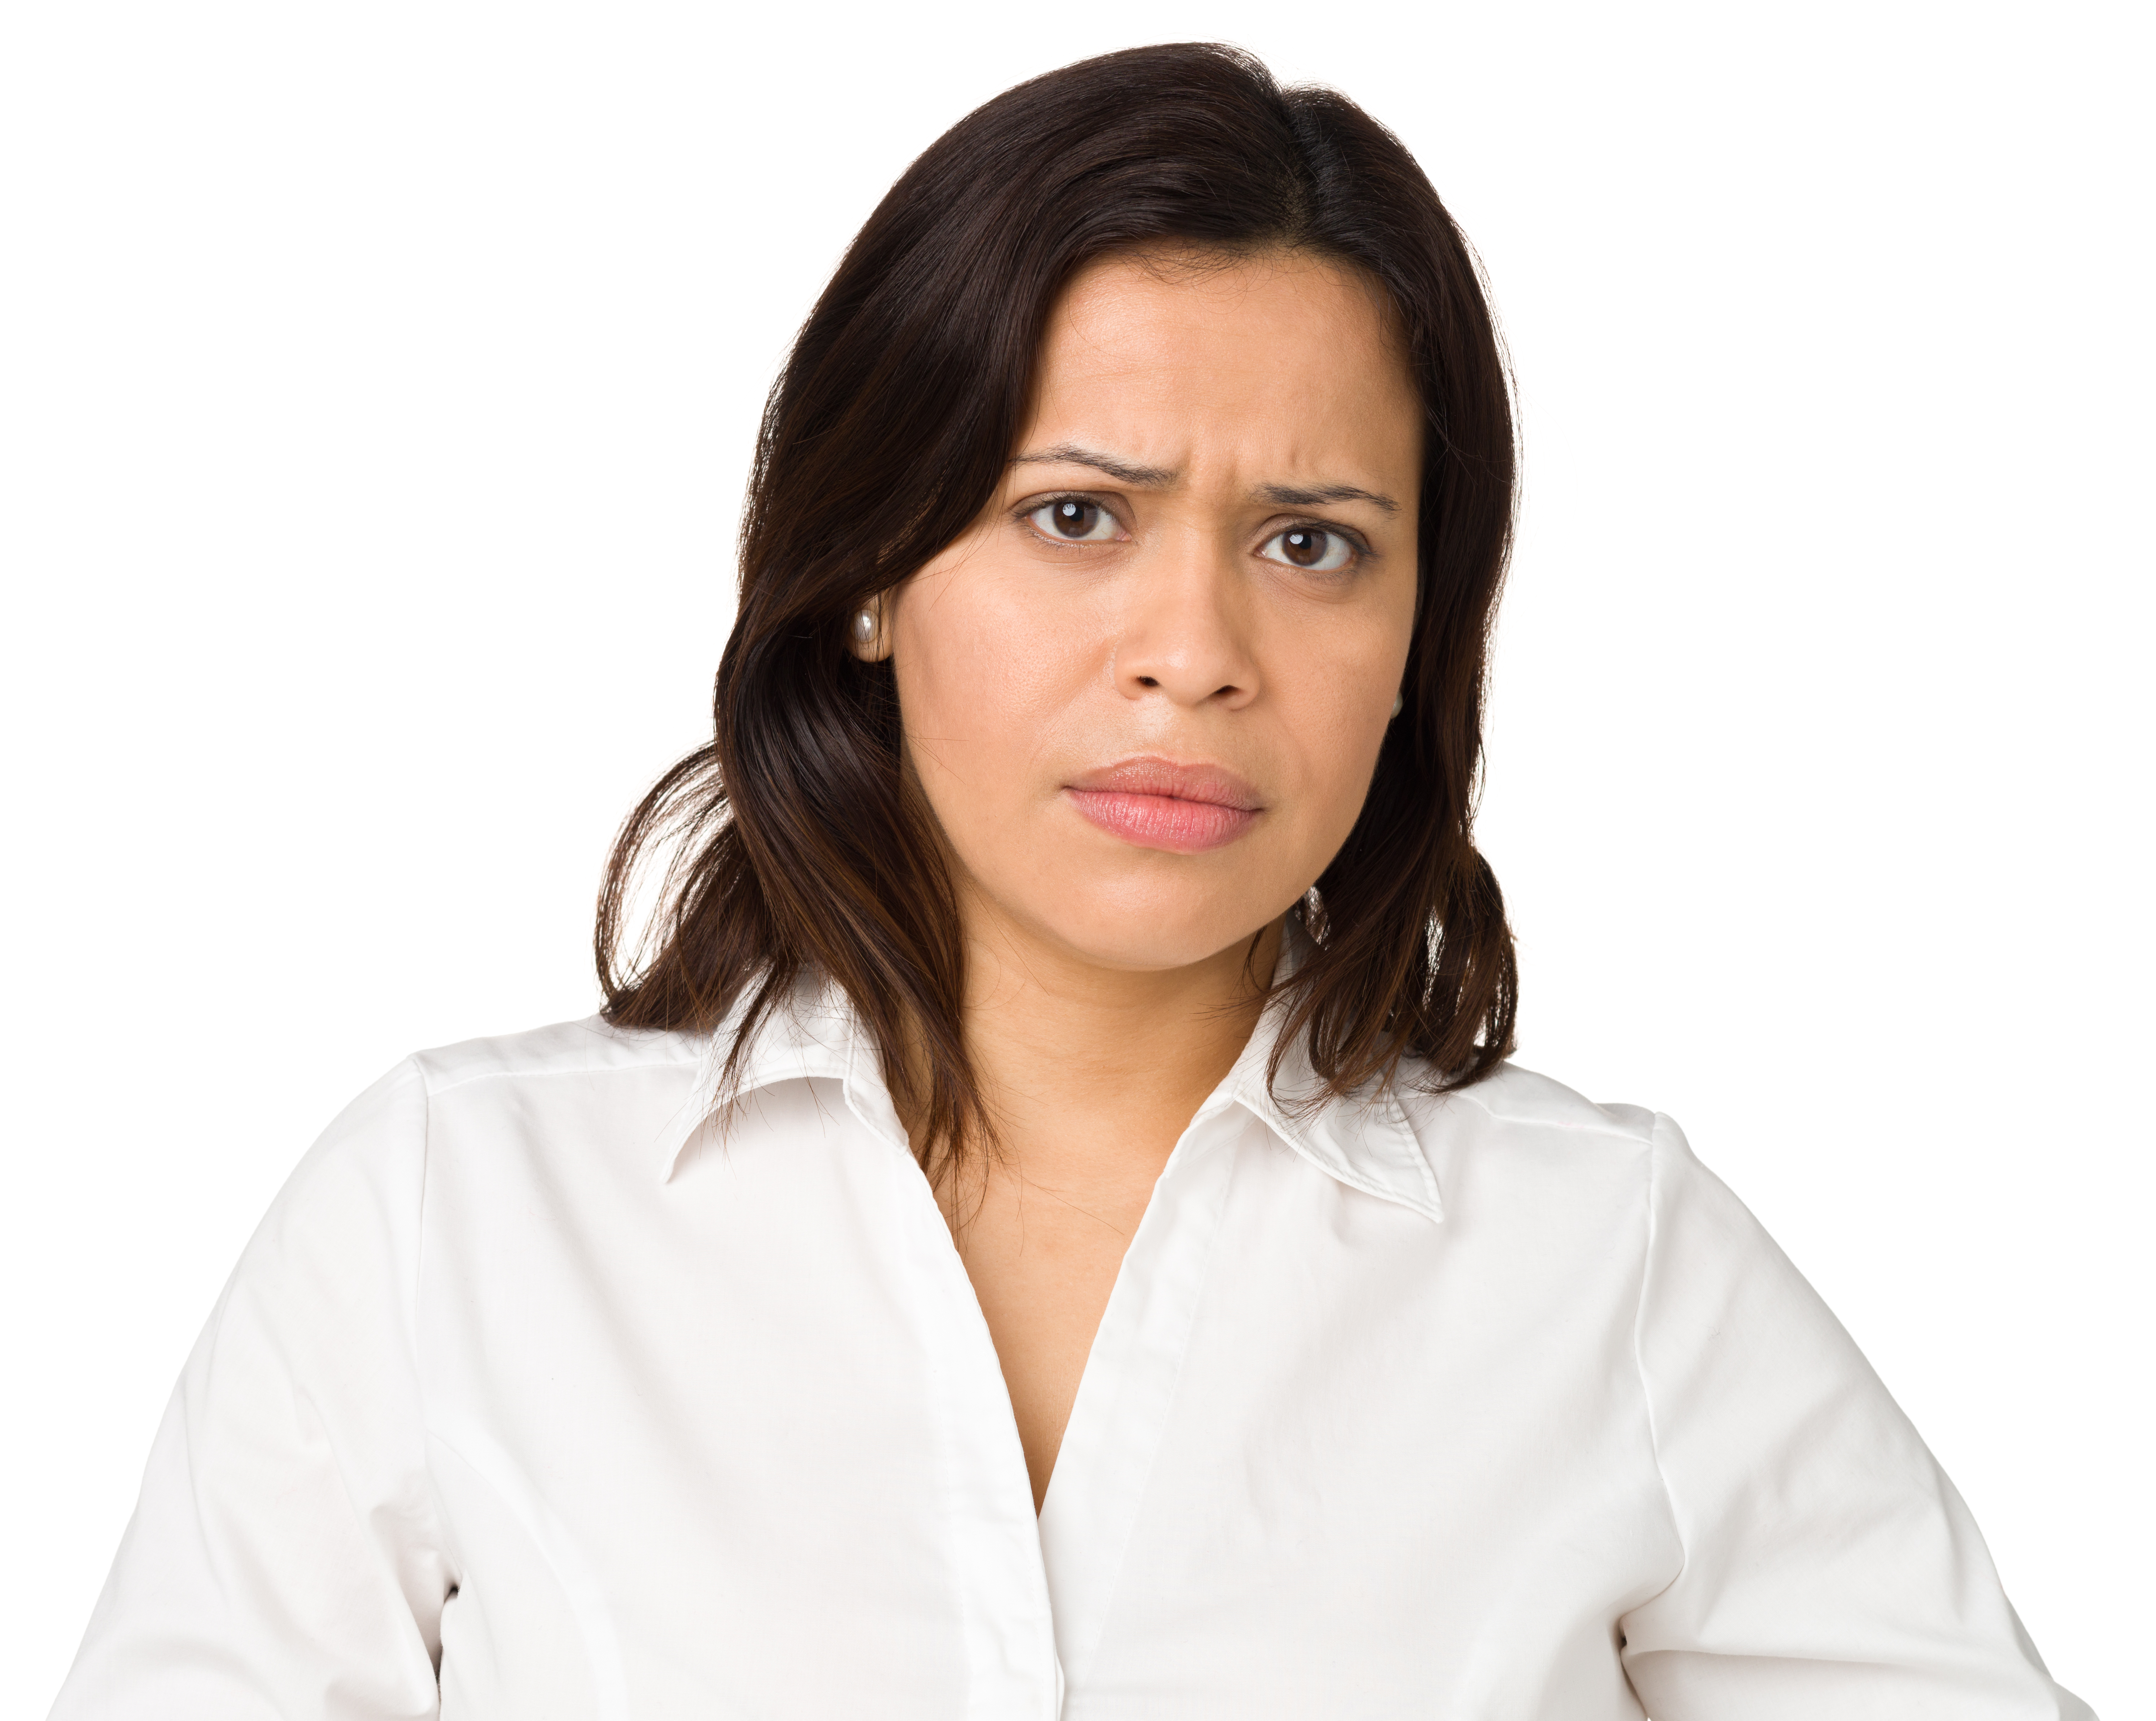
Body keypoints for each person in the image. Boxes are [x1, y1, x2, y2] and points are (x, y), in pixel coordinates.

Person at [49, 42, 2092, 1721]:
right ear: (864, 569)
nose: (1192, 648)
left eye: (1311, 542)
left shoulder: (1604, 1262)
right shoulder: (454, 1220)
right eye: (1075, 514)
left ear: (1415, 644)